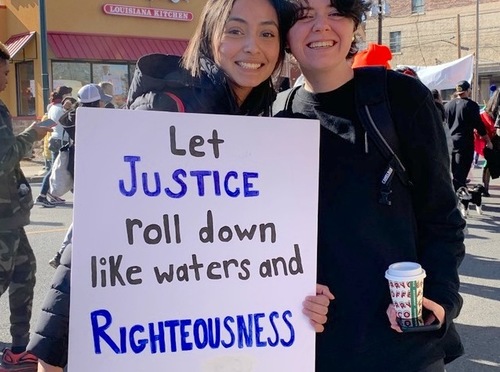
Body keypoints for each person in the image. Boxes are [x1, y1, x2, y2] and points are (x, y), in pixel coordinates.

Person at [27, 2, 332, 371]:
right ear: (209, 37)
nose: (253, 46)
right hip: (150, 342)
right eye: (235, 31)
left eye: (267, 33)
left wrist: (294, 293)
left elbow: (249, 253)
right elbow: (101, 237)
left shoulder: (265, 121)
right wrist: (53, 350)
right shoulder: (165, 110)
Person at [273, 0, 466, 370]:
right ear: (284, 32)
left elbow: (442, 216)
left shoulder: (400, 99)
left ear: (353, 23)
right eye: (303, 15)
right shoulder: (277, 115)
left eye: (334, 12)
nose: (321, 26)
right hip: (311, 347)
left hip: (401, 347)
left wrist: (440, 299)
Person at [0, 41, 53, 371]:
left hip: (10, 217)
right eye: (4, 72)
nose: (7, 78)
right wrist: (34, 133)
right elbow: (3, 158)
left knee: (24, 276)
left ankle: (18, 349)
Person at [445, 80, 493, 191]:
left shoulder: (447, 105)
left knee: (454, 169)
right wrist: (488, 140)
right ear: (468, 90)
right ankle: (459, 196)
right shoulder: (471, 106)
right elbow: (479, 125)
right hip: (465, 142)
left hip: (450, 142)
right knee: (462, 169)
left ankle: (458, 189)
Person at [35, 85, 73, 208]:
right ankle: (42, 195)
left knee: (58, 168)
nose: (70, 98)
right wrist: (68, 110)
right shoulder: (59, 109)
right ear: (64, 96)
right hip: (60, 140)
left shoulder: (52, 107)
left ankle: (52, 195)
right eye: (69, 95)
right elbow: (66, 121)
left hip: (55, 139)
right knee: (55, 169)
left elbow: (53, 122)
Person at [475, 89, 500, 196]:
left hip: (491, 140)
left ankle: (486, 189)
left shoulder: (489, 109)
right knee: (491, 164)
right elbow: (498, 129)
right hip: (497, 140)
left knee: (488, 164)